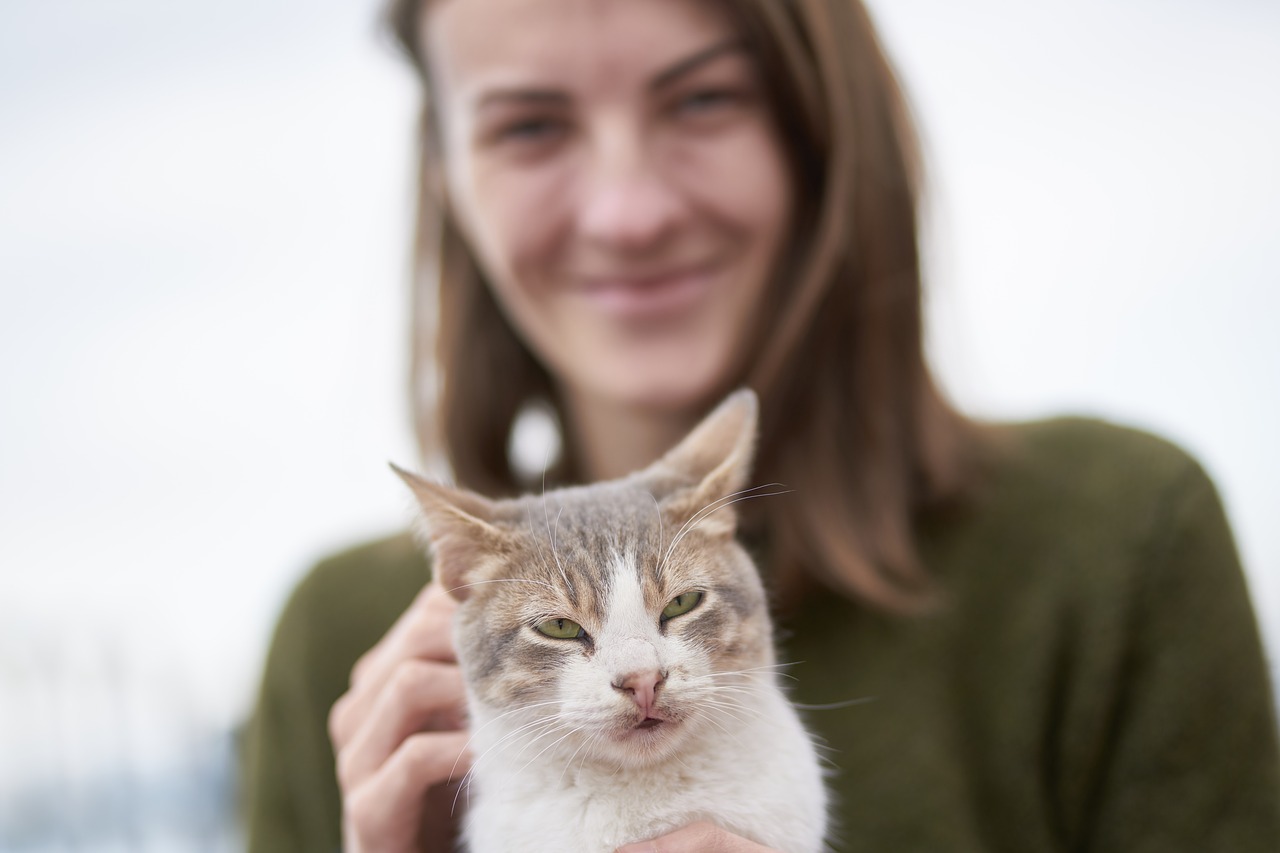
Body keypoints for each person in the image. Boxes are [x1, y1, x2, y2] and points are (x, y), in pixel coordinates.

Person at [242, 0, 1280, 850]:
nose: (628, 211)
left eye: (701, 99)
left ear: (818, 126)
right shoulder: (343, 654)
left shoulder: (1116, 540)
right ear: (445, 176)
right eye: (529, 125)